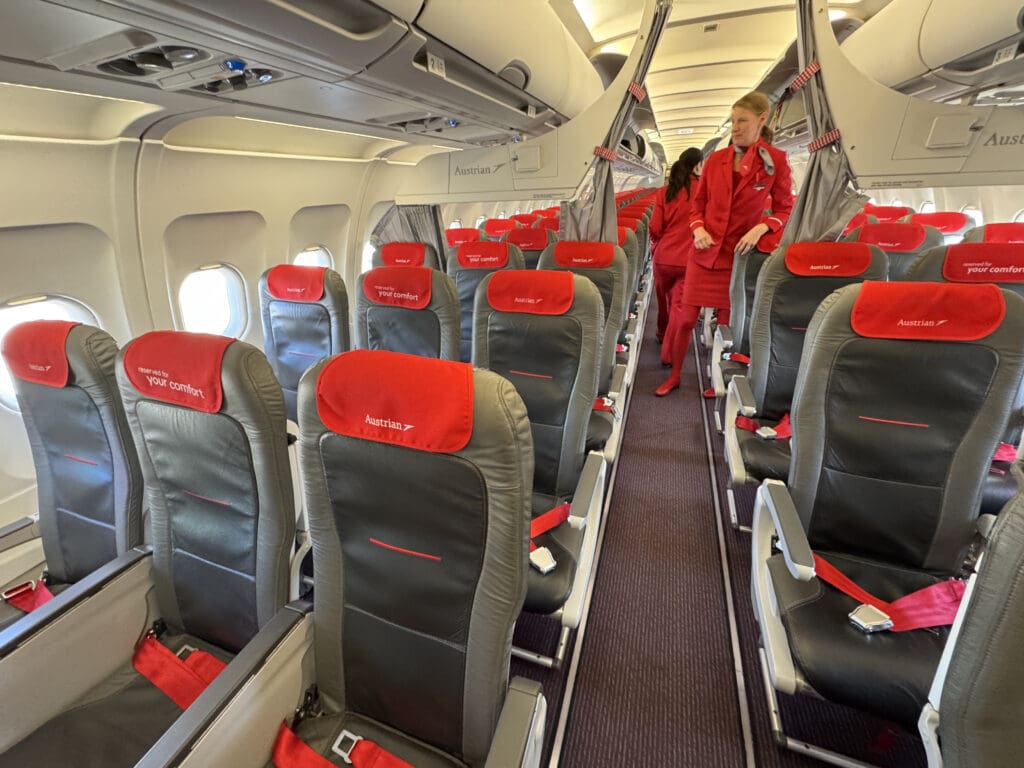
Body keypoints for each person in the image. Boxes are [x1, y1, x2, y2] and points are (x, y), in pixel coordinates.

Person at [655, 91, 794, 396]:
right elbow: (697, 206)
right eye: (733, 121)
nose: (736, 127)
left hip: (737, 257)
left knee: (727, 326)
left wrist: (761, 227)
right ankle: (675, 375)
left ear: (761, 119)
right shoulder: (716, 160)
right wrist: (697, 228)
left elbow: (785, 208)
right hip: (703, 254)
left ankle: (719, 382)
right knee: (686, 320)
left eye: (742, 120)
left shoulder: (777, 163)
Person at [649, 148, 703, 360]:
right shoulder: (703, 191)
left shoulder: (664, 192)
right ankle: (669, 353)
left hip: (663, 258)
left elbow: (654, 227)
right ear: (697, 165)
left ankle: (661, 334)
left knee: (663, 301)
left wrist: (661, 242)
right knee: (679, 307)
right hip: (690, 259)